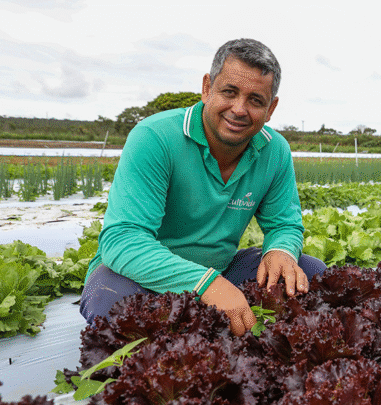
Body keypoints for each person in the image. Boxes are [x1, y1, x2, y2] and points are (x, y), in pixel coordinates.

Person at [80, 38, 325, 336]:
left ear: (271, 108)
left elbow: (284, 223)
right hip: (141, 277)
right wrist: (206, 285)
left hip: (224, 271)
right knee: (109, 300)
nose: (239, 109)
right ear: (207, 88)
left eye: (255, 100)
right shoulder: (155, 137)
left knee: (312, 274)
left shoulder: (275, 150)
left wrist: (280, 250)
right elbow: (123, 239)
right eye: (229, 92)